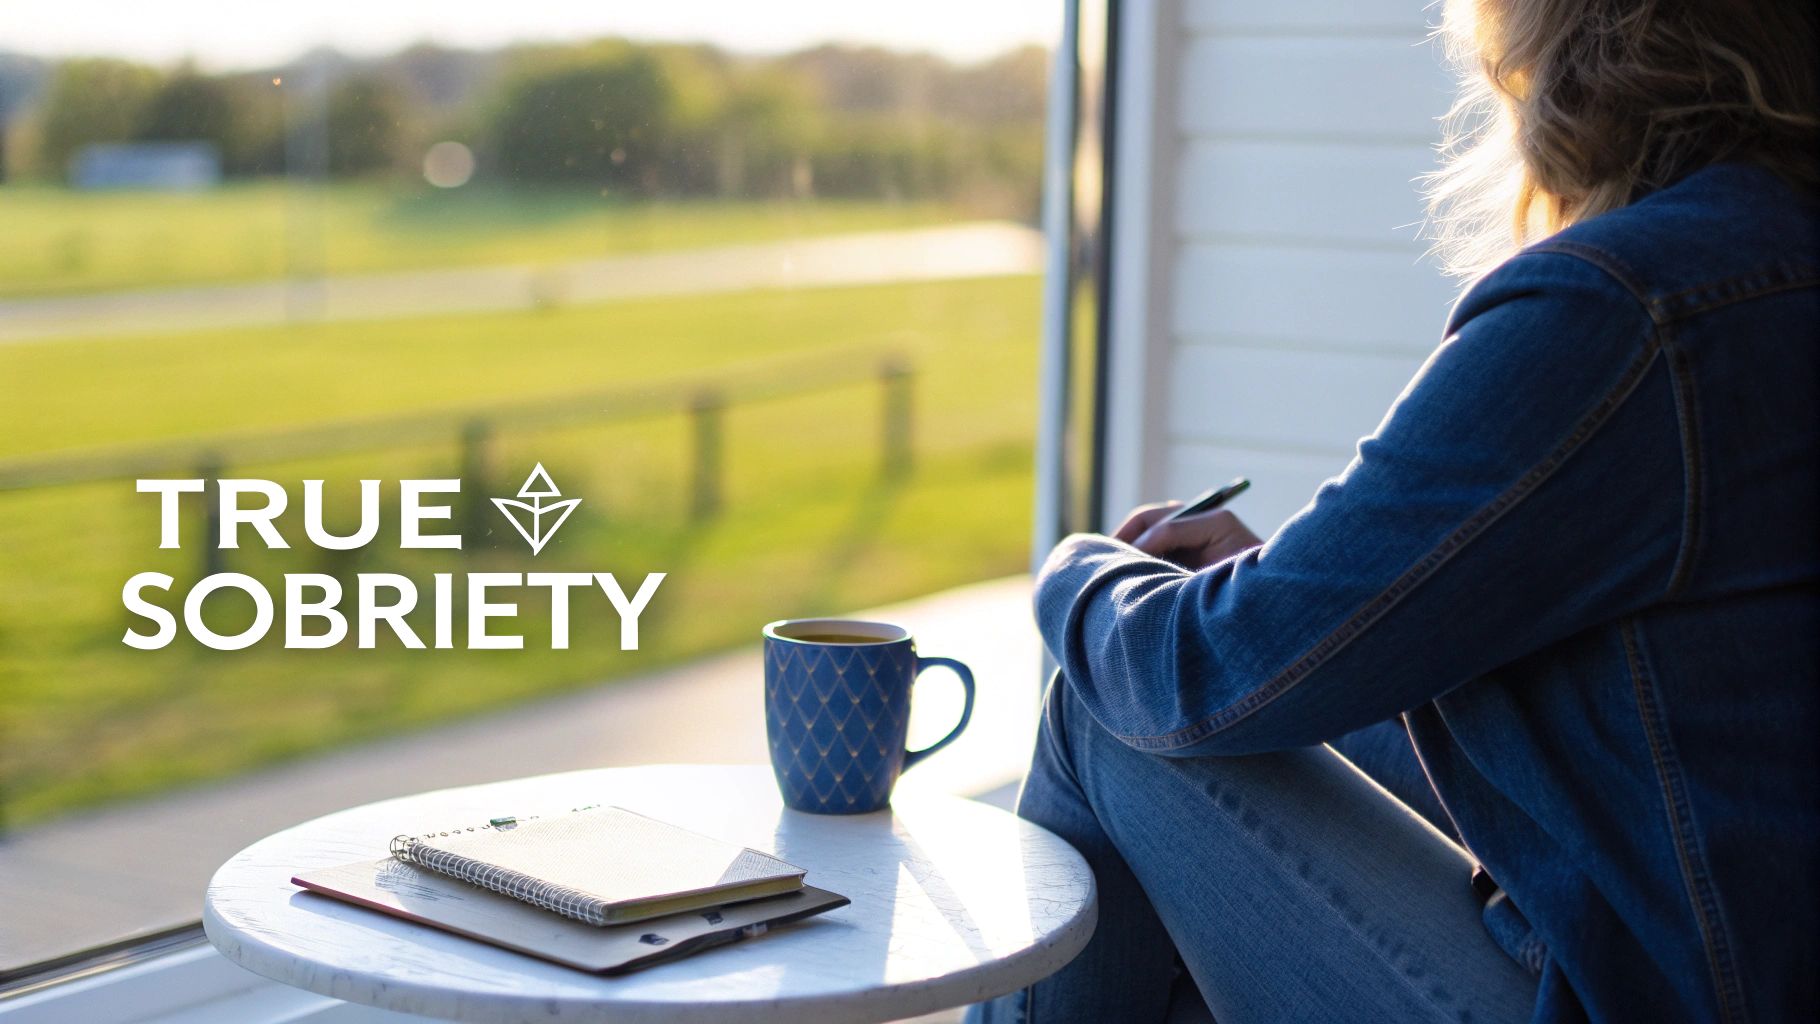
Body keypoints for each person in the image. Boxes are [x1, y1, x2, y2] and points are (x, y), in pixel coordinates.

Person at [970, 0, 1818, 1021]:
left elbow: (1199, 672)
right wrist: (1311, 603)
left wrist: (1073, 567)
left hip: (1643, 992)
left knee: (1110, 713)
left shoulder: (1623, 311)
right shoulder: (1773, 264)